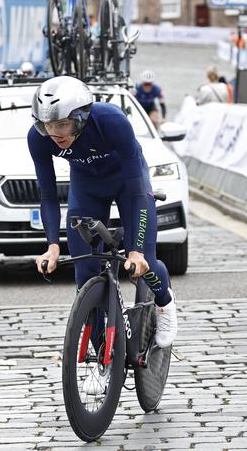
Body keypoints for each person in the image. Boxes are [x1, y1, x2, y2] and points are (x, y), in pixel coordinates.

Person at [28, 76, 178, 353]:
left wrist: (135, 251)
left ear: (81, 117)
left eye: (62, 124)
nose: (55, 132)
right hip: (87, 189)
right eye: (48, 124)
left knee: (143, 261)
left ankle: (164, 301)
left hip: (128, 183)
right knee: (85, 272)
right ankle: (101, 355)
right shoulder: (39, 138)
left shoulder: (111, 120)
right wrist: (51, 246)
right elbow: (48, 195)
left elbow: (136, 191)